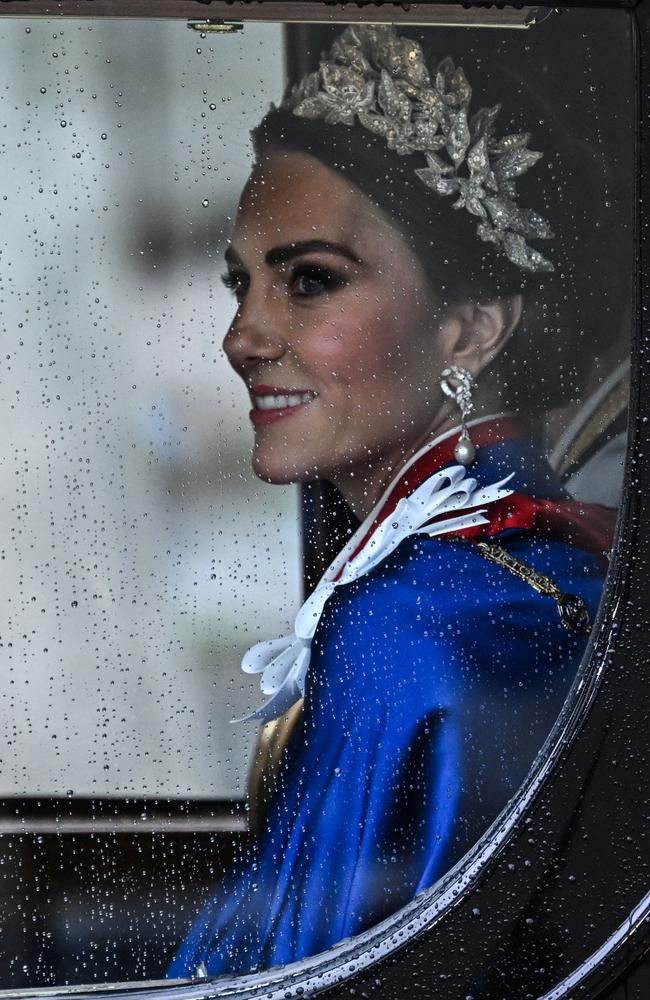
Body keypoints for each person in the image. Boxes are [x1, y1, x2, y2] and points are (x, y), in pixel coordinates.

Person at [168, 24, 621, 979]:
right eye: (239, 284)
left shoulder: (410, 619)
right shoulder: (515, 565)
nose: (243, 336)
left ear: (470, 329)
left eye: (310, 281)